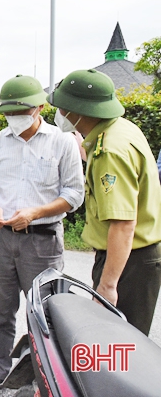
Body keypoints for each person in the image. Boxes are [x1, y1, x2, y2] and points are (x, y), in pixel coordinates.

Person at [0, 74, 85, 387]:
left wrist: (37, 212)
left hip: (43, 241)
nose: (14, 119)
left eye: (20, 112)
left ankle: (45, 380)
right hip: (2, 240)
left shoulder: (62, 142)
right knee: (1, 313)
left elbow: (74, 194)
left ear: (39, 107)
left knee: (45, 315)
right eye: (8, 113)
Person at [47, 68, 161, 336]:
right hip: (135, 257)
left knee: (119, 343)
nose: (60, 113)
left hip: (129, 262)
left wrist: (109, 284)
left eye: (63, 107)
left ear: (78, 110)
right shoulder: (119, 130)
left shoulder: (109, 150)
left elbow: (123, 224)